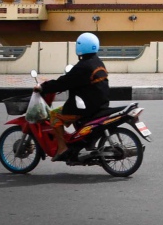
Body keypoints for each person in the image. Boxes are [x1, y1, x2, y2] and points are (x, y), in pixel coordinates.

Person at [35, 32, 110, 160]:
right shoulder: (98, 62)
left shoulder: (83, 67)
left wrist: (44, 87)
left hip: (86, 107)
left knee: (54, 115)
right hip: (100, 105)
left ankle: (62, 147)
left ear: (80, 47)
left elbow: (63, 82)